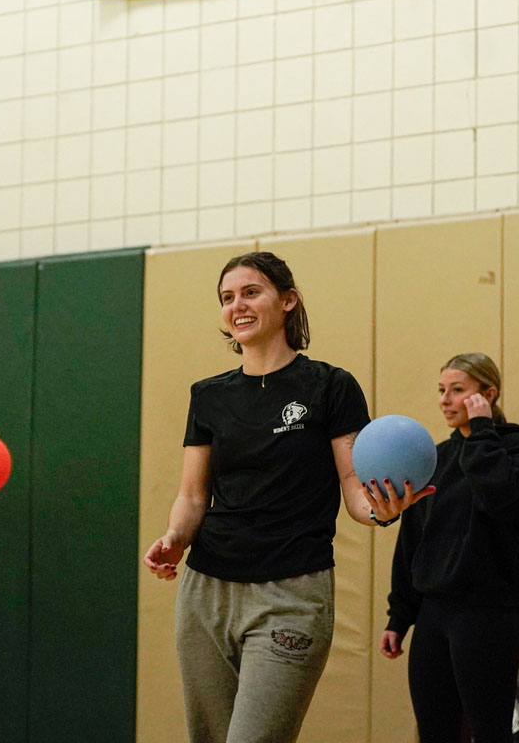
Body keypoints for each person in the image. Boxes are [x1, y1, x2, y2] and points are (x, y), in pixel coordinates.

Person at [142, 251, 430, 743]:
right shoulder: (208, 396)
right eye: (227, 298)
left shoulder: (331, 387)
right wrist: (174, 537)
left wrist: (381, 512)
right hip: (206, 593)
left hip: (292, 595)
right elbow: (193, 496)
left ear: (288, 301)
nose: (238, 306)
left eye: (251, 292)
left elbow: (353, 487)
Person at [380, 352, 519, 743]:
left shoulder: (516, 443)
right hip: (435, 612)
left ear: (488, 394)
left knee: (489, 731)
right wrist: (400, 615)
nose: (446, 400)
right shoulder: (434, 457)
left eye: (458, 390)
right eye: (441, 391)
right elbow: (413, 539)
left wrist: (482, 430)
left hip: (488, 611)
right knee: (435, 732)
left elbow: (498, 497)